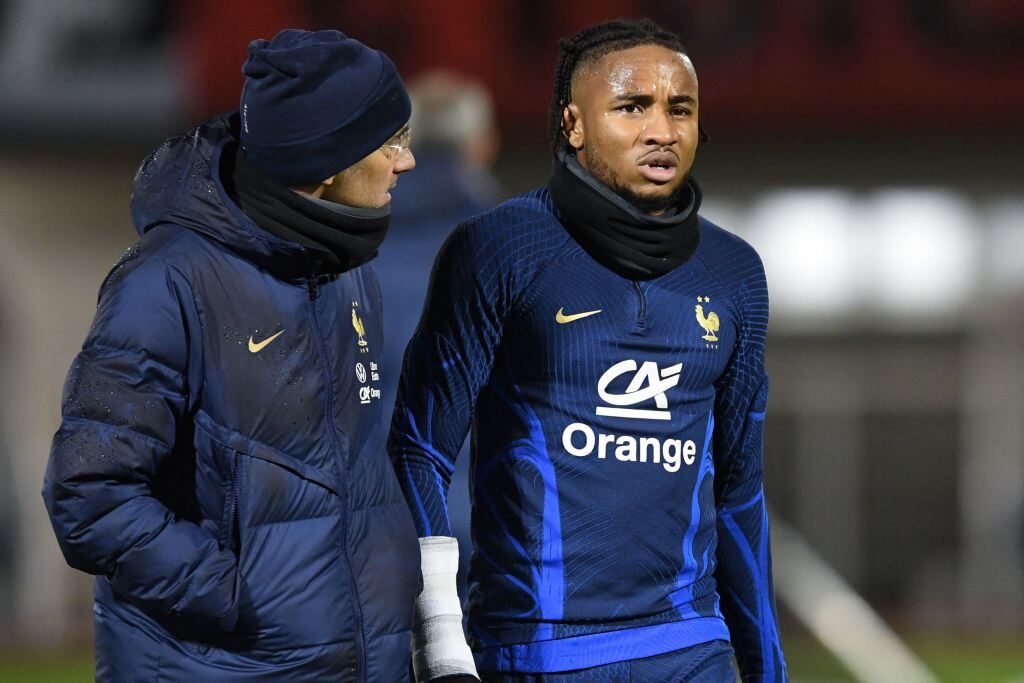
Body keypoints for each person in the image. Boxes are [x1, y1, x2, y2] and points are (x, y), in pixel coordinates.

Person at [390, 18, 787, 683]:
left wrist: (767, 667)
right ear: (574, 124)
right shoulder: (500, 247)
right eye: (632, 106)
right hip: (538, 652)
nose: (661, 129)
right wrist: (443, 635)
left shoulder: (734, 271)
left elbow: (742, 487)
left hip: (693, 648)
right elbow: (420, 446)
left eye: (679, 108)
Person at [43, 29, 420, 682]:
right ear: (324, 162)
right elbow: (89, 491)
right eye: (389, 141)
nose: (405, 161)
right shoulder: (165, 284)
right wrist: (229, 594)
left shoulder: (345, 267)